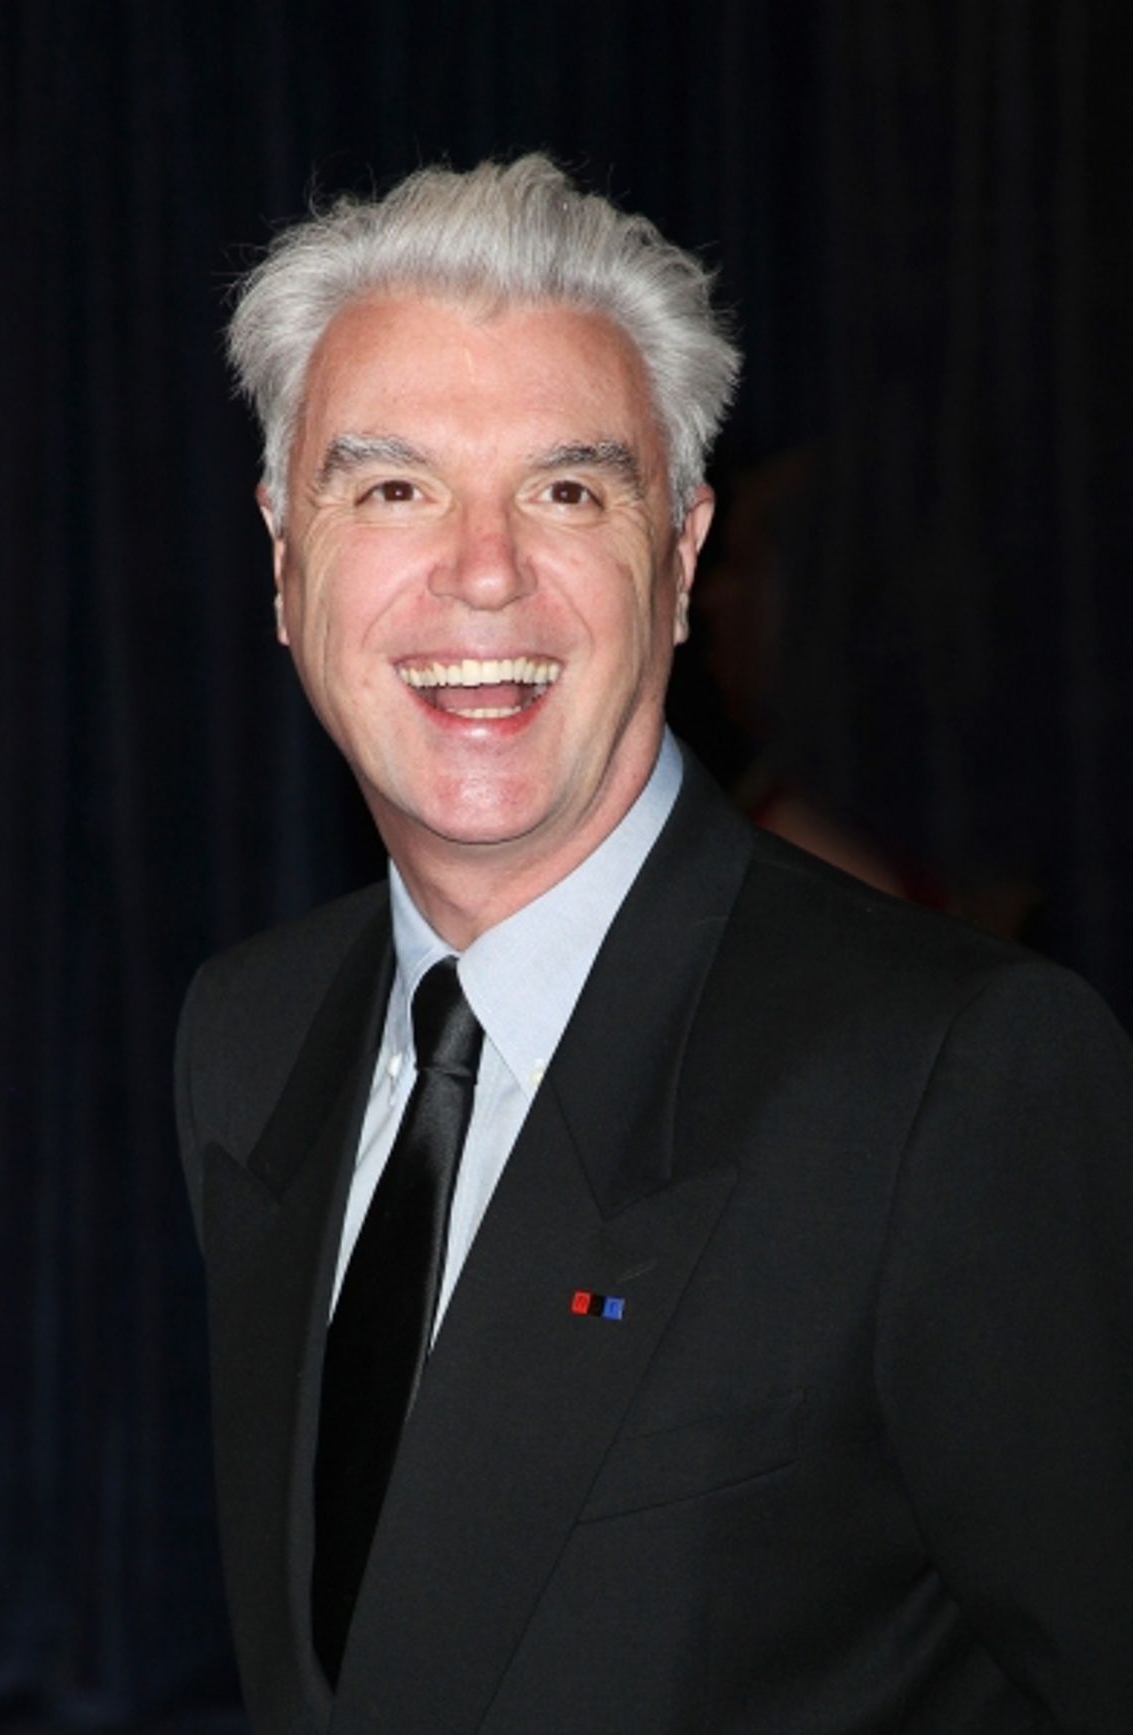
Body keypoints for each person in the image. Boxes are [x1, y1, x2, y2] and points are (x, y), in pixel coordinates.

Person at [175, 156, 1133, 1735]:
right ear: (284, 560)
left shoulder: (958, 1084)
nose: (485, 572)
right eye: (393, 488)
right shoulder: (247, 1036)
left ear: (681, 563)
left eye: (567, 490)